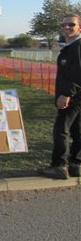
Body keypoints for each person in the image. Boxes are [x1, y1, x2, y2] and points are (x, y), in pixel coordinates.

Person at [38, 14, 81, 179]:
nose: (67, 28)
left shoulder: (77, 47)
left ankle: (59, 165)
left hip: (72, 96)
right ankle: (76, 164)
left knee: (61, 129)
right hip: (74, 95)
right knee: (77, 130)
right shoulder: (70, 47)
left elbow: (77, 74)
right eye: (64, 25)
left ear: (79, 27)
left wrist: (66, 94)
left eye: (71, 24)